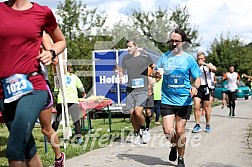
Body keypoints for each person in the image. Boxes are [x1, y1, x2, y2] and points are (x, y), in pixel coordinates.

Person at [0, 1, 66, 166]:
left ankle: (59, 156)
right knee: (28, 149)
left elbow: (60, 41)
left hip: (33, 85)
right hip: (5, 90)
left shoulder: (41, 13)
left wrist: (50, 53)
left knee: (15, 148)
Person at [153, 28, 201, 167]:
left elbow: (197, 77)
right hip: (167, 99)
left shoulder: (189, 59)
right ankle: (174, 146)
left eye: (177, 41)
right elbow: (156, 73)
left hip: (184, 100)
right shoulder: (164, 57)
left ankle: (181, 158)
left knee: (180, 131)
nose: (174, 43)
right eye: (172, 41)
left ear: (183, 43)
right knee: (168, 131)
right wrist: (155, 75)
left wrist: (195, 87)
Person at [117, 38, 155, 145]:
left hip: (142, 89)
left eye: (130, 46)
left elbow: (153, 67)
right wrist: (120, 75)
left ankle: (144, 130)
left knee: (138, 112)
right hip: (130, 89)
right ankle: (137, 134)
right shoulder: (126, 58)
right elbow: (123, 71)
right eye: (127, 47)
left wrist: (150, 79)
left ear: (136, 46)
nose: (128, 49)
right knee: (132, 113)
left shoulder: (145, 57)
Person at [40, 32, 65, 166]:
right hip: (14, 84)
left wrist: (43, 53)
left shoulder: (40, 32)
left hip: (38, 84)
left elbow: (54, 60)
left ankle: (59, 156)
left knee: (46, 129)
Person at [52, 64, 86, 144]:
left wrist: (55, 95)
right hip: (73, 101)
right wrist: (83, 94)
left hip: (62, 101)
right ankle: (79, 139)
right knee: (76, 121)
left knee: (57, 119)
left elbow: (56, 91)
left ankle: (51, 135)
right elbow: (81, 89)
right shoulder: (74, 77)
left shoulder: (59, 78)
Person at [192, 52, 217, 133]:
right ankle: (197, 124)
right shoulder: (195, 66)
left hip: (206, 87)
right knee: (196, 106)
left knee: (207, 107)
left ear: (204, 59)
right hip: (198, 87)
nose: (200, 60)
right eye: (198, 59)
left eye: (201, 58)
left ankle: (208, 124)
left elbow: (214, 69)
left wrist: (204, 64)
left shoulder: (207, 66)